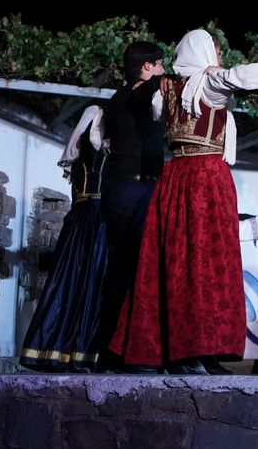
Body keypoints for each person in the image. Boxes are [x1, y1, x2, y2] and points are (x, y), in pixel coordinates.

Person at [108, 29, 258, 374]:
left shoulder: (168, 91)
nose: (219, 60)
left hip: (176, 177)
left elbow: (154, 107)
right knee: (205, 262)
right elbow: (237, 76)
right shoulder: (207, 84)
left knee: (179, 260)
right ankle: (192, 351)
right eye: (216, 53)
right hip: (206, 177)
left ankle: (193, 351)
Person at [19, 106, 109, 372]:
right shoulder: (97, 151)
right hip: (95, 220)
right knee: (90, 282)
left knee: (69, 282)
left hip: (77, 220)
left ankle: (57, 349)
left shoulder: (78, 153)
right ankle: (81, 351)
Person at [95, 40, 166, 370]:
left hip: (119, 187)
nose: (164, 71)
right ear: (147, 66)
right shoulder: (140, 92)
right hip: (136, 189)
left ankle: (108, 351)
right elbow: (147, 90)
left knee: (121, 269)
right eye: (160, 64)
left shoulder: (116, 98)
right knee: (137, 269)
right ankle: (124, 351)